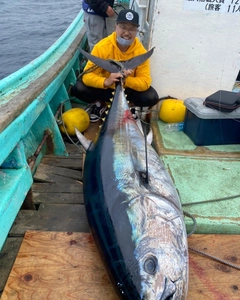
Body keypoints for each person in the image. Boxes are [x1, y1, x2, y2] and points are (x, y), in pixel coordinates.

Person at [71, 8, 159, 122]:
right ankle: (100, 105)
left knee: (151, 97)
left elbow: (145, 81)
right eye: (123, 27)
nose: (127, 33)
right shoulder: (101, 47)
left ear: (137, 31)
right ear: (115, 27)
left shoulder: (140, 52)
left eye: (132, 29)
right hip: (106, 90)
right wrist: (106, 81)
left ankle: (128, 108)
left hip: (127, 91)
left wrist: (126, 81)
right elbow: (87, 76)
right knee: (78, 88)